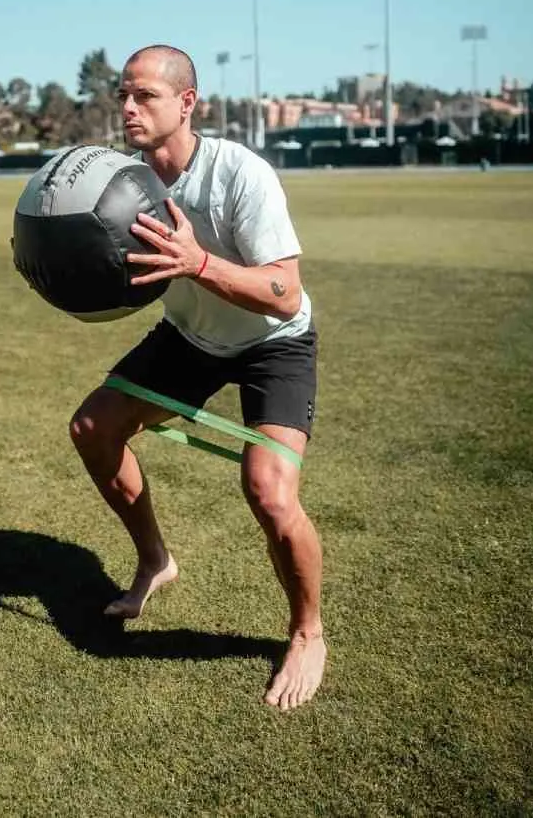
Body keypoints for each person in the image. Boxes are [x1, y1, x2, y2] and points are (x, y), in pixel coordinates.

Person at [69, 45, 326, 711]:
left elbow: (283, 291)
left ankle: (307, 631)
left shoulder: (241, 174)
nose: (127, 107)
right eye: (123, 94)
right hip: (189, 338)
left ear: (186, 104)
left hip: (274, 343)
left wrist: (199, 263)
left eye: (145, 96)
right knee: (93, 429)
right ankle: (155, 560)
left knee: (268, 489)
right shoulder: (122, 180)